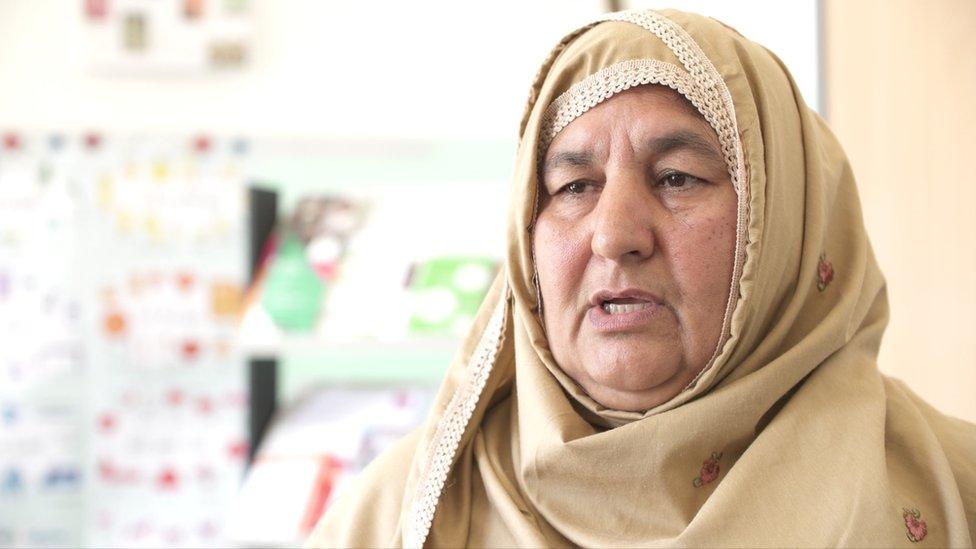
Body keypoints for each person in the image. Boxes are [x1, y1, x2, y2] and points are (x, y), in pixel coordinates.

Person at [307, 8, 976, 547]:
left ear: (786, 229)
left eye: (677, 178)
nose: (615, 234)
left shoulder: (953, 495)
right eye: (573, 185)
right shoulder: (399, 516)